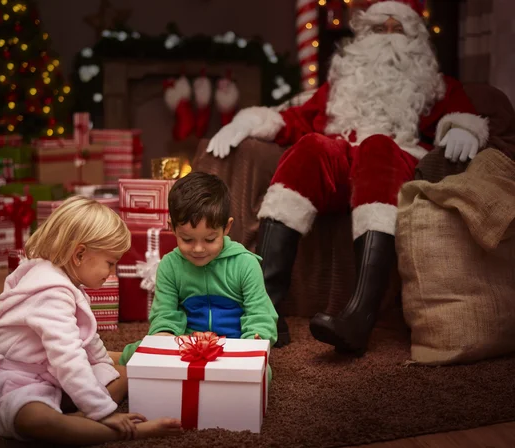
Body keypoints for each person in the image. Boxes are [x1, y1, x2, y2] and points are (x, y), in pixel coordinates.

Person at [206, 0, 489, 353]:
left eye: (396, 29)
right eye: (377, 29)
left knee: (377, 147)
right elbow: (296, 119)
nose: (387, 38)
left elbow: (461, 114)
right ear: (362, 36)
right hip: (341, 165)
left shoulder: (436, 86)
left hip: (392, 163)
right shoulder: (340, 86)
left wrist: (463, 128)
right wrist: (246, 122)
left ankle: (359, 316)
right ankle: (267, 308)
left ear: (415, 37)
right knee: (311, 146)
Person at [0, 196, 182, 445]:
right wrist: (104, 412)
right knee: (35, 419)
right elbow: (68, 357)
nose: (112, 273)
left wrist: (105, 366)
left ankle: (78, 418)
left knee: (124, 374)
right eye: (110, 263)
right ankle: (125, 430)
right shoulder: (50, 293)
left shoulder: (66, 281)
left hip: (49, 373)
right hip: (17, 380)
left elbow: (89, 341)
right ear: (79, 255)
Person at [118, 172, 278, 372]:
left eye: (210, 239)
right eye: (187, 239)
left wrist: (256, 337)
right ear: (172, 228)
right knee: (137, 351)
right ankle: (110, 361)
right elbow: (164, 314)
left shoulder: (246, 264)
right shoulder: (169, 265)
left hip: (234, 345)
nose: (198, 249)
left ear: (226, 227)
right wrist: (165, 336)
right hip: (185, 345)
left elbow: (260, 314)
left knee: (265, 374)